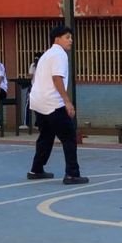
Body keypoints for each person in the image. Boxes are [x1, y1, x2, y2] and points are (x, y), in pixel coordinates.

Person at [27, 26, 88, 185]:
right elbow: (57, 78)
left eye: (71, 37)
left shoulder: (47, 54)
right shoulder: (59, 54)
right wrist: (67, 101)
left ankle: (36, 169)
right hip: (52, 102)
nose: (71, 40)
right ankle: (72, 174)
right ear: (57, 39)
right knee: (69, 137)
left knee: (46, 136)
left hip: (38, 101)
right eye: (67, 37)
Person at [21, 52, 43, 130]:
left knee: (28, 105)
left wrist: (25, 76)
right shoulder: (44, 65)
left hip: (34, 88)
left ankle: (26, 123)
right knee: (40, 106)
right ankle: (38, 123)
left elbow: (30, 76)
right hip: (41, 88)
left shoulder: (33, 65)